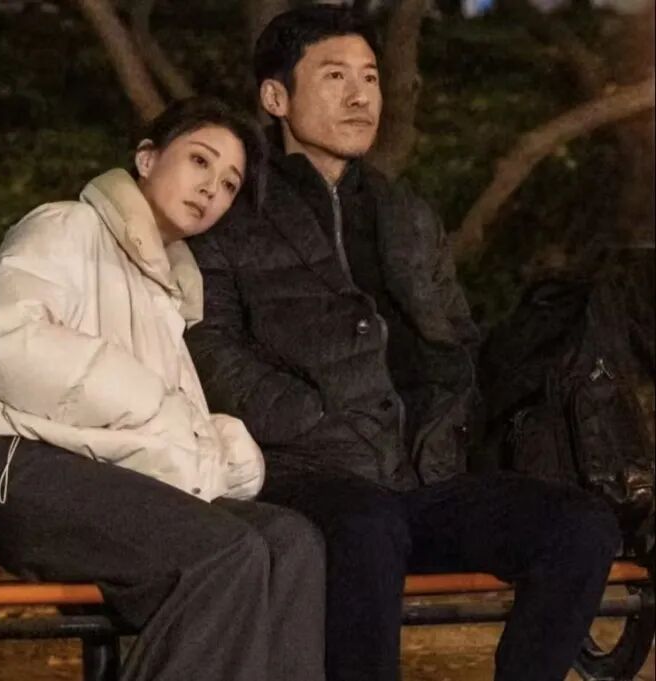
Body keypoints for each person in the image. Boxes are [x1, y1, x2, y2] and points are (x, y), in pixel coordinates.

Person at [184, 9, 620, 681]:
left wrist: (463, 416)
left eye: (370, 77)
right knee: (366, 526)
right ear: (276, 97)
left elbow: (459, 336)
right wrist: (313, 416)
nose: (360, 96)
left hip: (427, 476)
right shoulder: (234, 213)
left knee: (581, 525)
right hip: (310, 474)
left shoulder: (407, 213)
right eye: (335, 77)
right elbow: (209, 345)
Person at [0, 97, 326, 681]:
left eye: (228, 184)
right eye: (199, 161)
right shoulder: (67, 225)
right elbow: (3, 339)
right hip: (21, 464)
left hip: (109, 476)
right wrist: (145, 401)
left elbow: (164, 426)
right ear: (146, 158)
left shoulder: (168, 288)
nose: (211, 188)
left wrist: (217, 448)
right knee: (226, 554)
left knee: (291, 542)